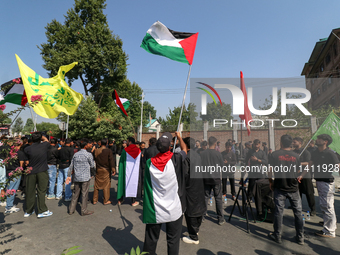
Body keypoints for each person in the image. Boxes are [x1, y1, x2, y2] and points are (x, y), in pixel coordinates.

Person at [142, 132, 186, 255]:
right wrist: (180, 136)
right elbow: (184, 149)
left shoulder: (149, 163)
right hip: (173, 208)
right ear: (170, 146)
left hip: (155, 208)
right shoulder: (176, 158)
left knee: (151, 239)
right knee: (173, 240)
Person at [299, 134, 339, 238]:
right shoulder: (316, 152)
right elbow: (309, 164)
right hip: (319, 182)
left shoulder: (330, 153)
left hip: (327, 183)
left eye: (319, 139)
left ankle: (329, 231)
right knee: (325, 205)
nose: (317, 140)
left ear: (325, 141)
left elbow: (338, 166)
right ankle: (330, 224)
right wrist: (302, 176)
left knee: (327, 206)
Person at [268, 134, 303, 245]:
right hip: (293, 187)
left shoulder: (274, 154)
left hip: (280, 187)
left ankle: (277, 235)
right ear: (291, 143)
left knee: (279, 212)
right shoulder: (296, 156)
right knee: (298, 213)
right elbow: (298, 171)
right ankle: (300, 237)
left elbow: (270, 170)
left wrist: (270, 181)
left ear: (281, 142)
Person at [181, 136, 206, 245]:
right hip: (199, 185)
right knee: (199, 207)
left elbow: (185, 175)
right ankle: (196, 229)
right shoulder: (197, 155)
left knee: (190, 211)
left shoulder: (187, 157)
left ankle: (193, 237)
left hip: (190, 187)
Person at [24, 132, 53, 218]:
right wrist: (43, 137)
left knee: (30, 191)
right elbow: (47, 141)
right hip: (42, 171)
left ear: (31, 139)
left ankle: (28, 210)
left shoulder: (27, 149)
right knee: (41, 191)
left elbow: (26, 162)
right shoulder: (44, 145)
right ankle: (42, 210)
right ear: (41, 138)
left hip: (31, 171)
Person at [66, 139, 95, 216]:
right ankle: (84, 210)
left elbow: (71, 166)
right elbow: (92, 165)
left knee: (75, 193)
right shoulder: (88, 155)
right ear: (85, 146)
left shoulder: (76, 154)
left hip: (77, 177)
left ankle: (71, 210)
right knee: (84, 194)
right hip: (85, 177)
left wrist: (69, 175)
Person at [201, 136, 225, 225]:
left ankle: (202, 216)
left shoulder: (202, 154)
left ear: (207, 143)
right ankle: (220, 218)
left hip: (206, 179)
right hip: (216, 179)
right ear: (215, 144)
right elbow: (222, 166)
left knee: (205, 197)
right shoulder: (218, 154)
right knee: (218, 199)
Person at [292, 137, 315, 215]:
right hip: (296, 174)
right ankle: (297, 206)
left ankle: (313, 209)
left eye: (295, 142)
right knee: (297, 192)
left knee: (309, 193)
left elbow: (309, 163)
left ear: (300, 143)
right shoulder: (293, 152)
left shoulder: (306, 152)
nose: (293, 143)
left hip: (305, 175)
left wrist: (299, 163)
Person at [4, 140, 28, 214]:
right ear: (20, 144)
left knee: (9, 188)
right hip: (16, 172)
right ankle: (9, 206)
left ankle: (8, 204)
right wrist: (21, 169)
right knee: (13, 189)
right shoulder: (20, 153)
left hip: (8, 171)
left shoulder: (9, 153)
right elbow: (21, 163)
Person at [117, 137, 142, 206]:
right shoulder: (139, 151)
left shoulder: (125, 151)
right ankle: (133, 201)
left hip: (125, 170)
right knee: (133, 184)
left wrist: (120, 169)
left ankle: (120, 200)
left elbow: (121, 161)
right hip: (135, 172)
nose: (126, 143)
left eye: (127, 141)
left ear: (130, 142)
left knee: (123, 182)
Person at [93, 138, 116, 205]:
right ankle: (106, 200)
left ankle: (95, 200)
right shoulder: (108, 151)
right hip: (106, 169)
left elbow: (95, 159)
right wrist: (113, 170)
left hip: (98, 168)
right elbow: (111, 161)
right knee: (106, 185)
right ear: (106, 143)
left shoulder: (96, 151)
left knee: (96, 185)